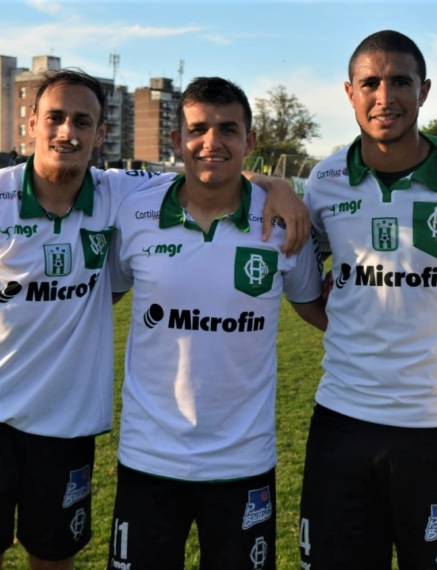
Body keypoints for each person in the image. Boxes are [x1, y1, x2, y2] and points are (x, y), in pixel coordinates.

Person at [0, 68, 308, 570]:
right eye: (55, 118)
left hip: (67, 425)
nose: (67, 132)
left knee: (53, 559)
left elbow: (209, 171)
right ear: (33, 123)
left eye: (82, 121)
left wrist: (275, 184)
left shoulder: (121, 192)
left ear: (99, 133)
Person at [299, 30, 437, 569]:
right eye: (370, 82)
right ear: (350, 93)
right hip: (342, 419)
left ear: (425, 90)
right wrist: (346, 321)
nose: (384, 96)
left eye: (400, 82)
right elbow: (302, 275)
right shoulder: (324, 180)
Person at [106, 76, 327, 570]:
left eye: (228, 129)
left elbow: (321, 312)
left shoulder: (282, 224)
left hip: (243, 463)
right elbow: (95, 299)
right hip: (150, 458)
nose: (212, 142)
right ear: (176, 140)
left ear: (249, 141)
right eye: (197, 129)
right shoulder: (135, 210)